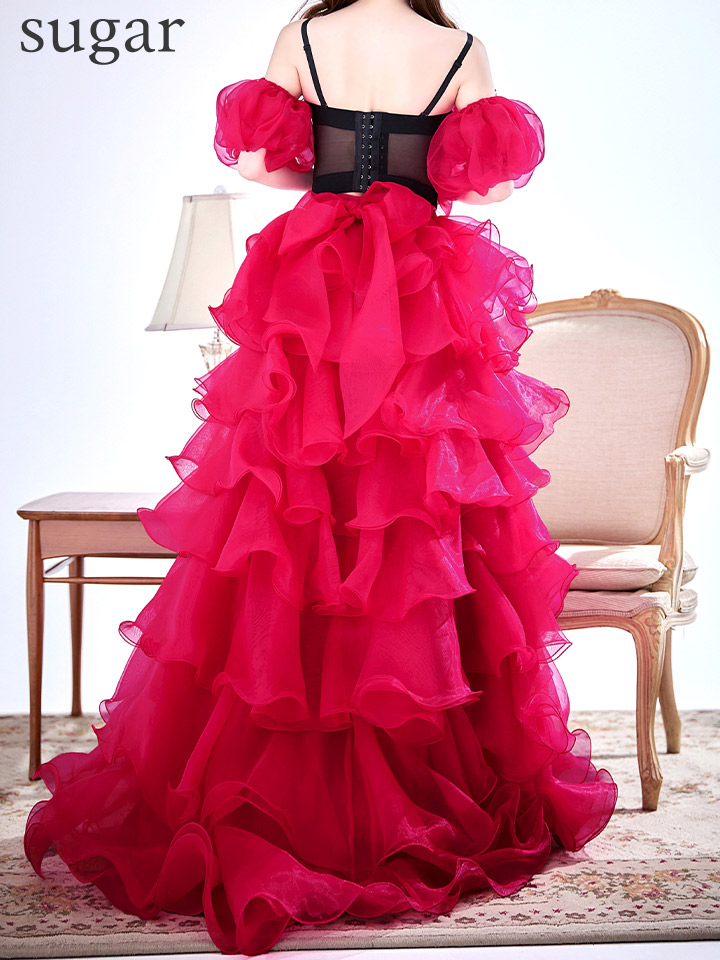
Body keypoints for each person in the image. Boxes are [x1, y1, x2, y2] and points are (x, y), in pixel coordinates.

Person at [24, 0, 618, 955]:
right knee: (415, 499)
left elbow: (263, 167)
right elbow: (494, 189)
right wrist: (417, 163)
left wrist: (336, 168)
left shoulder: (304, 35)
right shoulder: (458, 46)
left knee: (295, 493)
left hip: (318, 272)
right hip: (421, 278)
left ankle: (279, 758)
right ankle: (414, 748)